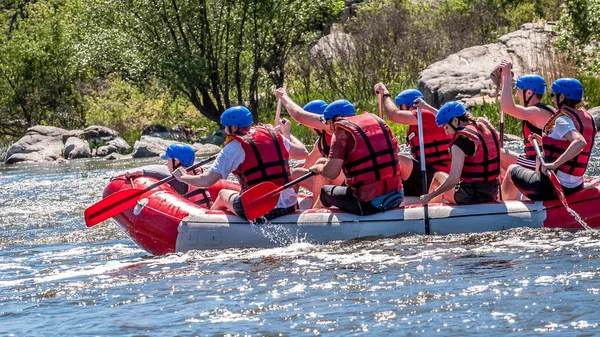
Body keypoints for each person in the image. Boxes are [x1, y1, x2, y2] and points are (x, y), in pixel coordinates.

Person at [173, 106, 307, 220]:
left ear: (233, 127)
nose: (225, 130)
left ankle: (209, 223)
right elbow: (303, 153)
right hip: (289, 204)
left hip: (260, 210)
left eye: (226, 126)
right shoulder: (275, 136)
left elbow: (206, 181)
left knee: (222, 194)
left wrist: (183, 177)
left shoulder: (232, 148)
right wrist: (287, 133)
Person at [502, 78, 597, 200]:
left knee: (511, 170)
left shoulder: (562, 120)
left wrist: (554, 164)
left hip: (553, 185)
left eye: (553, 95)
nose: (552, 99)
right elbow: (563, 143)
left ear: (561, 97)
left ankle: (504, 212)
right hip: (576, 185)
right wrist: (543, 141)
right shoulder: (586, 118)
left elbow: (580, 142)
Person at [308, 99, 404, 215]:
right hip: (397, 195)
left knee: (324, 191)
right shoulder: (377, 122)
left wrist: (319, 168)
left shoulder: (341, 132)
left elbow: (331, 173)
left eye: (329, 123)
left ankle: (311, 218)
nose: (331, 128)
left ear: (337, 117)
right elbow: (396, 150)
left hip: (367, 203)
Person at [374, 83, 452, 196]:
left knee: (398, 160)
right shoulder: (412, 129)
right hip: (427, 173)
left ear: (406, 106)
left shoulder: (425, 114)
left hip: (440, 175)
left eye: (401, 106)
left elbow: (393, 115)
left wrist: (385, 93)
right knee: (391, 158)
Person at [420, 101, 501, 205]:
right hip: (492, 192)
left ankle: (431, 209)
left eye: (446, 127)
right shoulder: (483, 127)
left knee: (437, 177)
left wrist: (429, 196)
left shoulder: (459, 142)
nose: (446, 132)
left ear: (455, 120)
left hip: (469, 197)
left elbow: (453, 179)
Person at [275, 88, 345, 206]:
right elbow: (307, 165)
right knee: (297, 169)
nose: (309, 128)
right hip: (339, 179)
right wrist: (287, 134)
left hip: (344, 183)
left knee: (320, 163)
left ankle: (314, 209)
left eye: (309, 125)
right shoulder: (321, 142)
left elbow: (298, 115)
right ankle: (294, 208)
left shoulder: (333, 127)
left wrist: (283, 96)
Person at [124, 143, 235, 208]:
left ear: (176, 161)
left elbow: (160, 175)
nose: (166, 163)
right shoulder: (198, 170)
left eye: (168, 159)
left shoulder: (180, 180)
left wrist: (142, 172)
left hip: (201, 217)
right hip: (208, 210)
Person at [497, 60, 555, 171]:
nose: (516, 95)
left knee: (499, 153)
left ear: (529, 92)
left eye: (518, 91)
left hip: (541, 166)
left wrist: (506, 76)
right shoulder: (544, 109)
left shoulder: (537, 112)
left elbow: (507, 107)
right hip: (536, 160)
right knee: (500, 155)